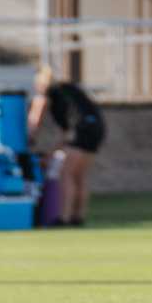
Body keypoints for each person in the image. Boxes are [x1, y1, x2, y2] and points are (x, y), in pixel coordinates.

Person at [30, 67, 105, 227]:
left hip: (82, 129)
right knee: (80, 176)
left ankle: (64, 218)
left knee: (67, 174)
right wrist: (53, 151)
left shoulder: (49, 93)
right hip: (97, 127)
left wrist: (30, 138)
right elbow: (67, 136)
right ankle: (79, 216)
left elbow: (35, 119)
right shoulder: (69, 89)